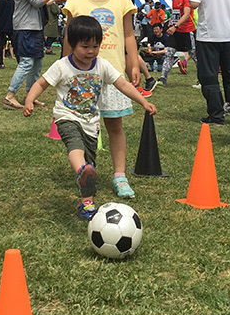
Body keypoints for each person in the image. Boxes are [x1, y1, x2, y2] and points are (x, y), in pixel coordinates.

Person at [24, 16, 156, 220]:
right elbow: (42, 83)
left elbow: (122, 84)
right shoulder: (62, 66)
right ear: (72, 44)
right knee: (75, 146)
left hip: (91, 122)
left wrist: (143, 101)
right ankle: (81, 169)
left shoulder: (101, 65)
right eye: (85, 46)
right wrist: (30, 99)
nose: (91, 51)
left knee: (90, 165)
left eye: (96, 46)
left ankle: (87, 203)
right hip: (67, 116)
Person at [63, 0, 139, 199]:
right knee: (84, 129)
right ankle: (86, 172)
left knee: (115, 127)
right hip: (83, 78)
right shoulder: (76, 3)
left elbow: (129, 34)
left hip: (113, 76)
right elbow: (68, 39)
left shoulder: (122, 2)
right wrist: (65, 69)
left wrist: (134, 64)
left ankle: (120, 175)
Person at [3, 0, 67, 110]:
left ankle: (29, 96)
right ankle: (10, 97)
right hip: (25, 29)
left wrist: (54, 1)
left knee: (38, 63)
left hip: (35, 29)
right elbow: (37, 2)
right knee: (27, 63)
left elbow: (37, 3)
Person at [166, 0, 196, 75]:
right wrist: (170, 22)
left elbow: (187, 14)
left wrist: (175, 26)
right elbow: (176, 13)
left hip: (187, 30)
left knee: (194, 55)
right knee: (169, 52)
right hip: (176, 30)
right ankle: (162, 78)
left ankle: (202, 80)